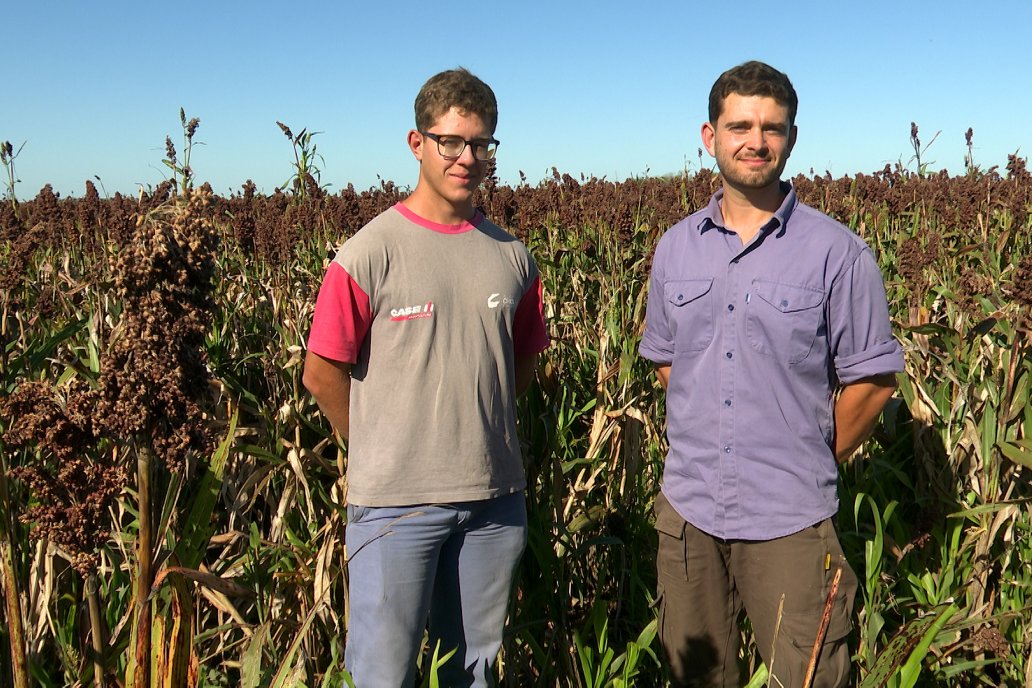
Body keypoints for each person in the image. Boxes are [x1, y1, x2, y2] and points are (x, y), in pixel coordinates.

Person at [639, 60, 904, 688]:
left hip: (791, 521)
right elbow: (670, 364)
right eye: (739, 126)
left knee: (807, 677)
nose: (755, 141)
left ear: (791, 137)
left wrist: (807, 455)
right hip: (689, 514)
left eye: (772, 128)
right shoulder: (676, 247)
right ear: (710, 137)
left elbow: (872, 381)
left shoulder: (838, 252)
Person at [303, 67, 549, 687]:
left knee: (474, 673)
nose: (467, 157)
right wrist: (379, 444)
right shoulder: (367, 253)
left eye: (481, 144)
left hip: (494, 501)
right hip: (394, 507)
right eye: (451, 142)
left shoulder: (511, 256)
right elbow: (321, 370)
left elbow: (522, 361)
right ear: (418, 144)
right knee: (384, 674)